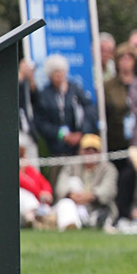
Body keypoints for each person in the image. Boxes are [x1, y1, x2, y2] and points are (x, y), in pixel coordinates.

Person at [104, 43, 137, 223]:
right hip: (116, 140)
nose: (125, 61)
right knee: (117, 177)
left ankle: (132, 212)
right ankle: (117, 214)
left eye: (129, 57)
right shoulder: (108, 86)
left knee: (133, 175)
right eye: (122, 58)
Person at [33, 54, 99, 183]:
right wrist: (62, 134)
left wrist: (81, 133)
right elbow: (41, 122)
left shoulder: (75, 90)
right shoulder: (45, 95)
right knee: (58, 182)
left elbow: (90, 110)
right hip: (57, 149)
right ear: (50, 75)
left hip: (78, 146)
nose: (59, 75)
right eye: (55, 73)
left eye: (61, 72)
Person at [52, 134, 118, 231]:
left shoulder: (108, 168)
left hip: (98, 207)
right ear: (81, 151)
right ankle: (71, 225)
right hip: (73, 203)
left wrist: (90, 196)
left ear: (99, 152)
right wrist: (72, 195)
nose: (90, 153)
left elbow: (108, 190)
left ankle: (85, 222)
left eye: (94, 150)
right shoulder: (71, 165)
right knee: (70, 192)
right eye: (87, 150)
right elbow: (61, 187)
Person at [20, 138, 53, 228]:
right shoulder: (14, 173)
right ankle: (31, 220)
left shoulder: (30, 170)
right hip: (24, 207)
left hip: (40, 203)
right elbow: (23, 183)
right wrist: (39, 193)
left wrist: (47, 193)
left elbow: (44, 182)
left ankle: (41, 221)